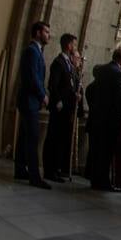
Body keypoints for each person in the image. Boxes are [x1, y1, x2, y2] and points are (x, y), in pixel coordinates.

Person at [14, 21, 52, 189]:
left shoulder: (36, 51)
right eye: (46, 31)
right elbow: (32, 77)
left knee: (24, 136)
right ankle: (35, 176)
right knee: (33, 138)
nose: (48, 35)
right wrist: (42, 95)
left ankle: (20, 169)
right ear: (37, 32)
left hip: (30, 100)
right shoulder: (32, 51)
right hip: (30, 100)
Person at [85, 47, 121, 191]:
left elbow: (90, 89)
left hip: (97, 117)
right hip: (110, 120)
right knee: (107, 152)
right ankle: (103, 182)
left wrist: (94, 107)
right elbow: (120, 99)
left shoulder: (101, 70)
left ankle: (95, 179)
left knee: (97, 150)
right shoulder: (119, 75)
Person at [43, 32, 80, 182]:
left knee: (60, 140)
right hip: (59, 107)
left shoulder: (68, 64)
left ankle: (56, 169)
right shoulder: (58, 63)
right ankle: (48, 169)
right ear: (69, 45)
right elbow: (54, 84)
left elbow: (69, 86)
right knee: (53, 138)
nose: (75, 48)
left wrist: (74, 96)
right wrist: (58, 101)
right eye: (74, 44)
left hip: (66, 109)